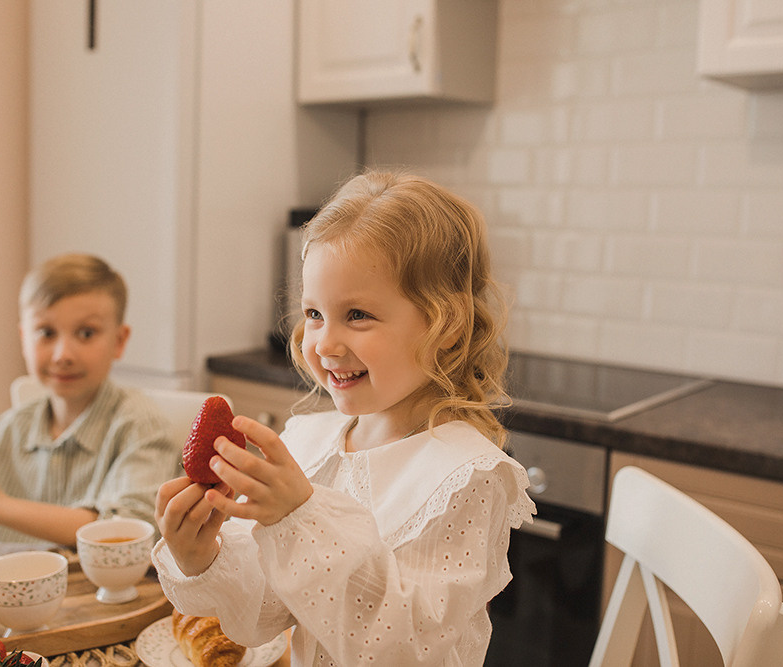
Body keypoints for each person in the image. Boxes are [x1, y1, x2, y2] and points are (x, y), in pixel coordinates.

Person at [152, 170, 536, 666]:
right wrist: (202, 556)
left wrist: (299, 518)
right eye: (314, 314)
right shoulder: (310, 441)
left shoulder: (466, 477)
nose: (325, 344)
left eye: (357, 315)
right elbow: (269, 613)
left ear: (446, 328)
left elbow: (403, 647)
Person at [0, 253, 179, 546]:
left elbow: (131, 531)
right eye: (46, 333)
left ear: (119, 341)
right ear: (23, 339)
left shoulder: (141, 427)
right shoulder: (4, 433)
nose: (63, 355)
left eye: (86, 333)